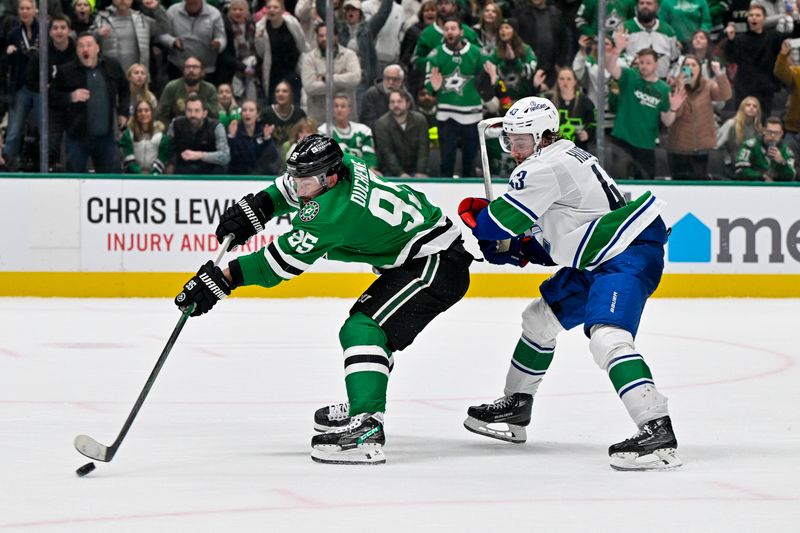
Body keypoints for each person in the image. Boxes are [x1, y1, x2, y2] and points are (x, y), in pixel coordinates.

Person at [173, 133, 472, 465]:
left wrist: (221, 281)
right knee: (367, 330)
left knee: (364, 330)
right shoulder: (344, 163)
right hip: (425, 254)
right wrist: (258, 207)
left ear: (329, 177)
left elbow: (276, 265)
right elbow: (289, 188)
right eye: (296, 175)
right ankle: (363, 402)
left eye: (306, 180)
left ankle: (367, 427)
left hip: (436, 263)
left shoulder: (330, 214)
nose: (298, 186)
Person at [457, 96, 680, 471]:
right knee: (539, 319)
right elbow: (563, 233)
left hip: (624, 256)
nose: (513, 150)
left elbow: (499, 224)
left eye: (522, 141)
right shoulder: (563, 156)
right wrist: (520, 249)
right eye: (509, 140)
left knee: (608, 335)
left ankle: (657, 431)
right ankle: (516, 408)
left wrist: (485, 223)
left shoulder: (545, 167)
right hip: (602, 254)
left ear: (544, 137)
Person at [425, 16, 496, 177]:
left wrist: (491, 80)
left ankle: (469, 194)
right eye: (447, 29)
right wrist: (432, 88)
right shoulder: (436, 54)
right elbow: (428, 84)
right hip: (446, 115)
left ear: (461, 32)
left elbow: (489, 74)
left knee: (470, 162)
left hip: (472, 115)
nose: (449, 31)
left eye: (453, 28)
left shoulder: (475, 52)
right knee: (447, 160)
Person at [606, 36, 686, 179]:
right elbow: (610, 67)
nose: (644, 66)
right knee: (618, 183)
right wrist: (617, 49)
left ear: (656, 64)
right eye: (641, 62)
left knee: (646, 185)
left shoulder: (663, 89)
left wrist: (673, 108)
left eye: (648, 63)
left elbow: (667, 122)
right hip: (622, 141)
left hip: (646, 145)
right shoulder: (629, 76)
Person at [51, 32, 130, 173]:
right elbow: (52, 98)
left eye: (89, 45)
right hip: (77, 137)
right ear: (76, 50)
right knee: (74, 180)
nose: (85, 49)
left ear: (97, 48)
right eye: (81, 46)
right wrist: (70, 96)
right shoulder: (66, 71)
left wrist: (123, 112)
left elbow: (124, 89)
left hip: (106, 136)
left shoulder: (112, 66)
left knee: (110, 179)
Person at [666, 56, 731, 179]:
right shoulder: (675, 86)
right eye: (687, 65)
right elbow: (676, 113)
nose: (690, 68)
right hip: (679, 147)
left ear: (700, 69)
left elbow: (725, 95)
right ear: (682, 69)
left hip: (703, 147)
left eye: (694, 65)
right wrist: (680, 87)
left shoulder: (708, 85)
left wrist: (719, 74)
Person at [723, 3, 789, 115]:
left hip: (765, 89)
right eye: (751, 15)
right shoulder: (739, 39)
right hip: (744, 88)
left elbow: (792, 36)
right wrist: (730, 40)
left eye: (758, 15)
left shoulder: (773, 37)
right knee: (742, 124)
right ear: (748, 18)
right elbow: (730, 57)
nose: (754, 17)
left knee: (762, 123)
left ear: (764, 19)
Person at [2, 0, 40, 170]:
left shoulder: (44, 31)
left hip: (40, 88)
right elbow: (4, 63)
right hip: (20, 87)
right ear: (18, 11)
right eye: (22, 9)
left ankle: (48, 163)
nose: (25, 11)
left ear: (35, 10)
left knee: (44, 128)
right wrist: (8, 54)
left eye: (28, 8)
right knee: (14, 130)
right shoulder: (14, 34)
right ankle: (8, 163)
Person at [300, 21, 361, 124]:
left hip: (346, 121)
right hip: (319, 120)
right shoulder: (309, 59)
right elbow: (309, 87)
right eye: (321, 36)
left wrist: (326, 78)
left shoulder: (349, 55)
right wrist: (342, 83)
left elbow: (355, 79)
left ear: (336, 36)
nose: (324, 39)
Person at [89, 0, 168, 75]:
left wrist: (157, 8)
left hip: (138, 76)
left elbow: (164, 28)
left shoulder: (142, 19)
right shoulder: (101, 19)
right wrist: (97, 33)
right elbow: (87, 41)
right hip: (111, 75)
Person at [254, 0, 306, 104]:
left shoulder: (292, 22)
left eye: (275, 7)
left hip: (293, 71)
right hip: (274, 72)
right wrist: (258, 39)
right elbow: (261, 53)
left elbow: (302, 44)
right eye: (269, 7)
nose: (272, 10)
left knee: (295, 100)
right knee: (275, 102)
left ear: (282, 10)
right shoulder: (260, 27)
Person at [160, 0, 226, 82]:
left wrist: (219, 44)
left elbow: (222, 38)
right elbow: (162, 34)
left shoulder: (215, 14)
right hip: (178, 66)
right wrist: (172, 41)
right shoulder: (172, 11)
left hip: (205, 69)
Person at [166, 94, 230, 174]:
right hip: (184, 170)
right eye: (189, 110)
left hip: (210, 171)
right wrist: (171, 164)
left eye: (197, 111)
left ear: (204, 113)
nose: (193, 115)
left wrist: (200, 155)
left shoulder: (216, 127)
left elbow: (225, 156)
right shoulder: (176, 124)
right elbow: (168, 148)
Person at [373, 88, 430, 176]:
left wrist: (420, 171)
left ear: (408, 104)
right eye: (392, 102)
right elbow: (387, 152)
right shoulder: (381, 124)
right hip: (390, 171)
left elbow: (423, 148)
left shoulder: (420, 120)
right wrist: (400, 173)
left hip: (415, 169)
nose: (395, 105)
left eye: (399, 101)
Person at [621, 0, 680, 80]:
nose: (645, 6)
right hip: (634, 82)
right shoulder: (625, 28)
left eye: (649, 3)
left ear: (657, 7)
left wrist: (672, 75)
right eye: (641, 3)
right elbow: (616, 57)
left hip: (661, 84)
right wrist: (630, 62)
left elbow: (675, 61)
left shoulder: (668, 31)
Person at [318, 93, 379, 171]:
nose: (339, 109)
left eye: (343, 106)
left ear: (349, 109)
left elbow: (370, 158)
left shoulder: (364, 130)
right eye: (336, 106)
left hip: (362, 174)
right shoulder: (323, 131)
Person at [156, 56, 219, 124]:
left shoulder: (210, 89)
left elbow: (215, 115)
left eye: (195, 67)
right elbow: (161, 115)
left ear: (202, 71)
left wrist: (199, 100)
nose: (191, 70)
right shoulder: (171, 87)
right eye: (188, 67)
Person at [546, 67, 596, 151]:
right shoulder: (549, 101)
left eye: (569, 79)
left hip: (578, 149)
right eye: (562, 79)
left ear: (575, 82)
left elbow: (593, 123)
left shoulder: (585, 102)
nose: (565, 82)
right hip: (554, 150)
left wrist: (588, 133)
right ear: (557, 81)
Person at [734, 116, 796, 180]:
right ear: (764, 131)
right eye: (770, 132)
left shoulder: (786, 151)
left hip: (777, 188)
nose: (773, 135)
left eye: (776, 133)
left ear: (781, 133)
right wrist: (762, 177)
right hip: (753, 187)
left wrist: (782, 162)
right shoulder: (750, 146)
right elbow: (740, 170)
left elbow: (791, 176)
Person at [226, 99, 279, 174]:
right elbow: (230, 157)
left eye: (251, 110)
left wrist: (267, 139)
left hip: (260, 176)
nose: (247, 113)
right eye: (244, 110)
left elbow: (273, 157)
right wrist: (232, 137)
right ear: (241, 114)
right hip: (238, 177)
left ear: (257, 114)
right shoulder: (235, 131)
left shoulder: (263, 132)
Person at [715, 96, 763, 177]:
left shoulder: (758, 129)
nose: (751, 107)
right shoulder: (731, 124)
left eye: (755, 106)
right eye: (748, 105)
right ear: (742, 108)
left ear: (758, 111)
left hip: (751, 167)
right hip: (732, 166)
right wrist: (727, 159)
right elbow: (716, 144)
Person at [358, 64, 414, 132]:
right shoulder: (372, 93)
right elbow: (368, 121)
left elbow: (412, 119)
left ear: (401, 80)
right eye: (387, 78)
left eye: (395, 79)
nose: (390, 82)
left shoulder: (407, 96)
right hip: (378, 133)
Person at [119, 99, 169, 174]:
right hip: (132, 176)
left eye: (146, 110)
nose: (143, 113)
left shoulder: (161, 136)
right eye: (140, 111)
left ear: (152, 113)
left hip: (155, 176)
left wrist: (153, 174)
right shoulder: (128, 134)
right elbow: (127, 158)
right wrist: (139, 174)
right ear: (135, 114)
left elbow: (162, 158)